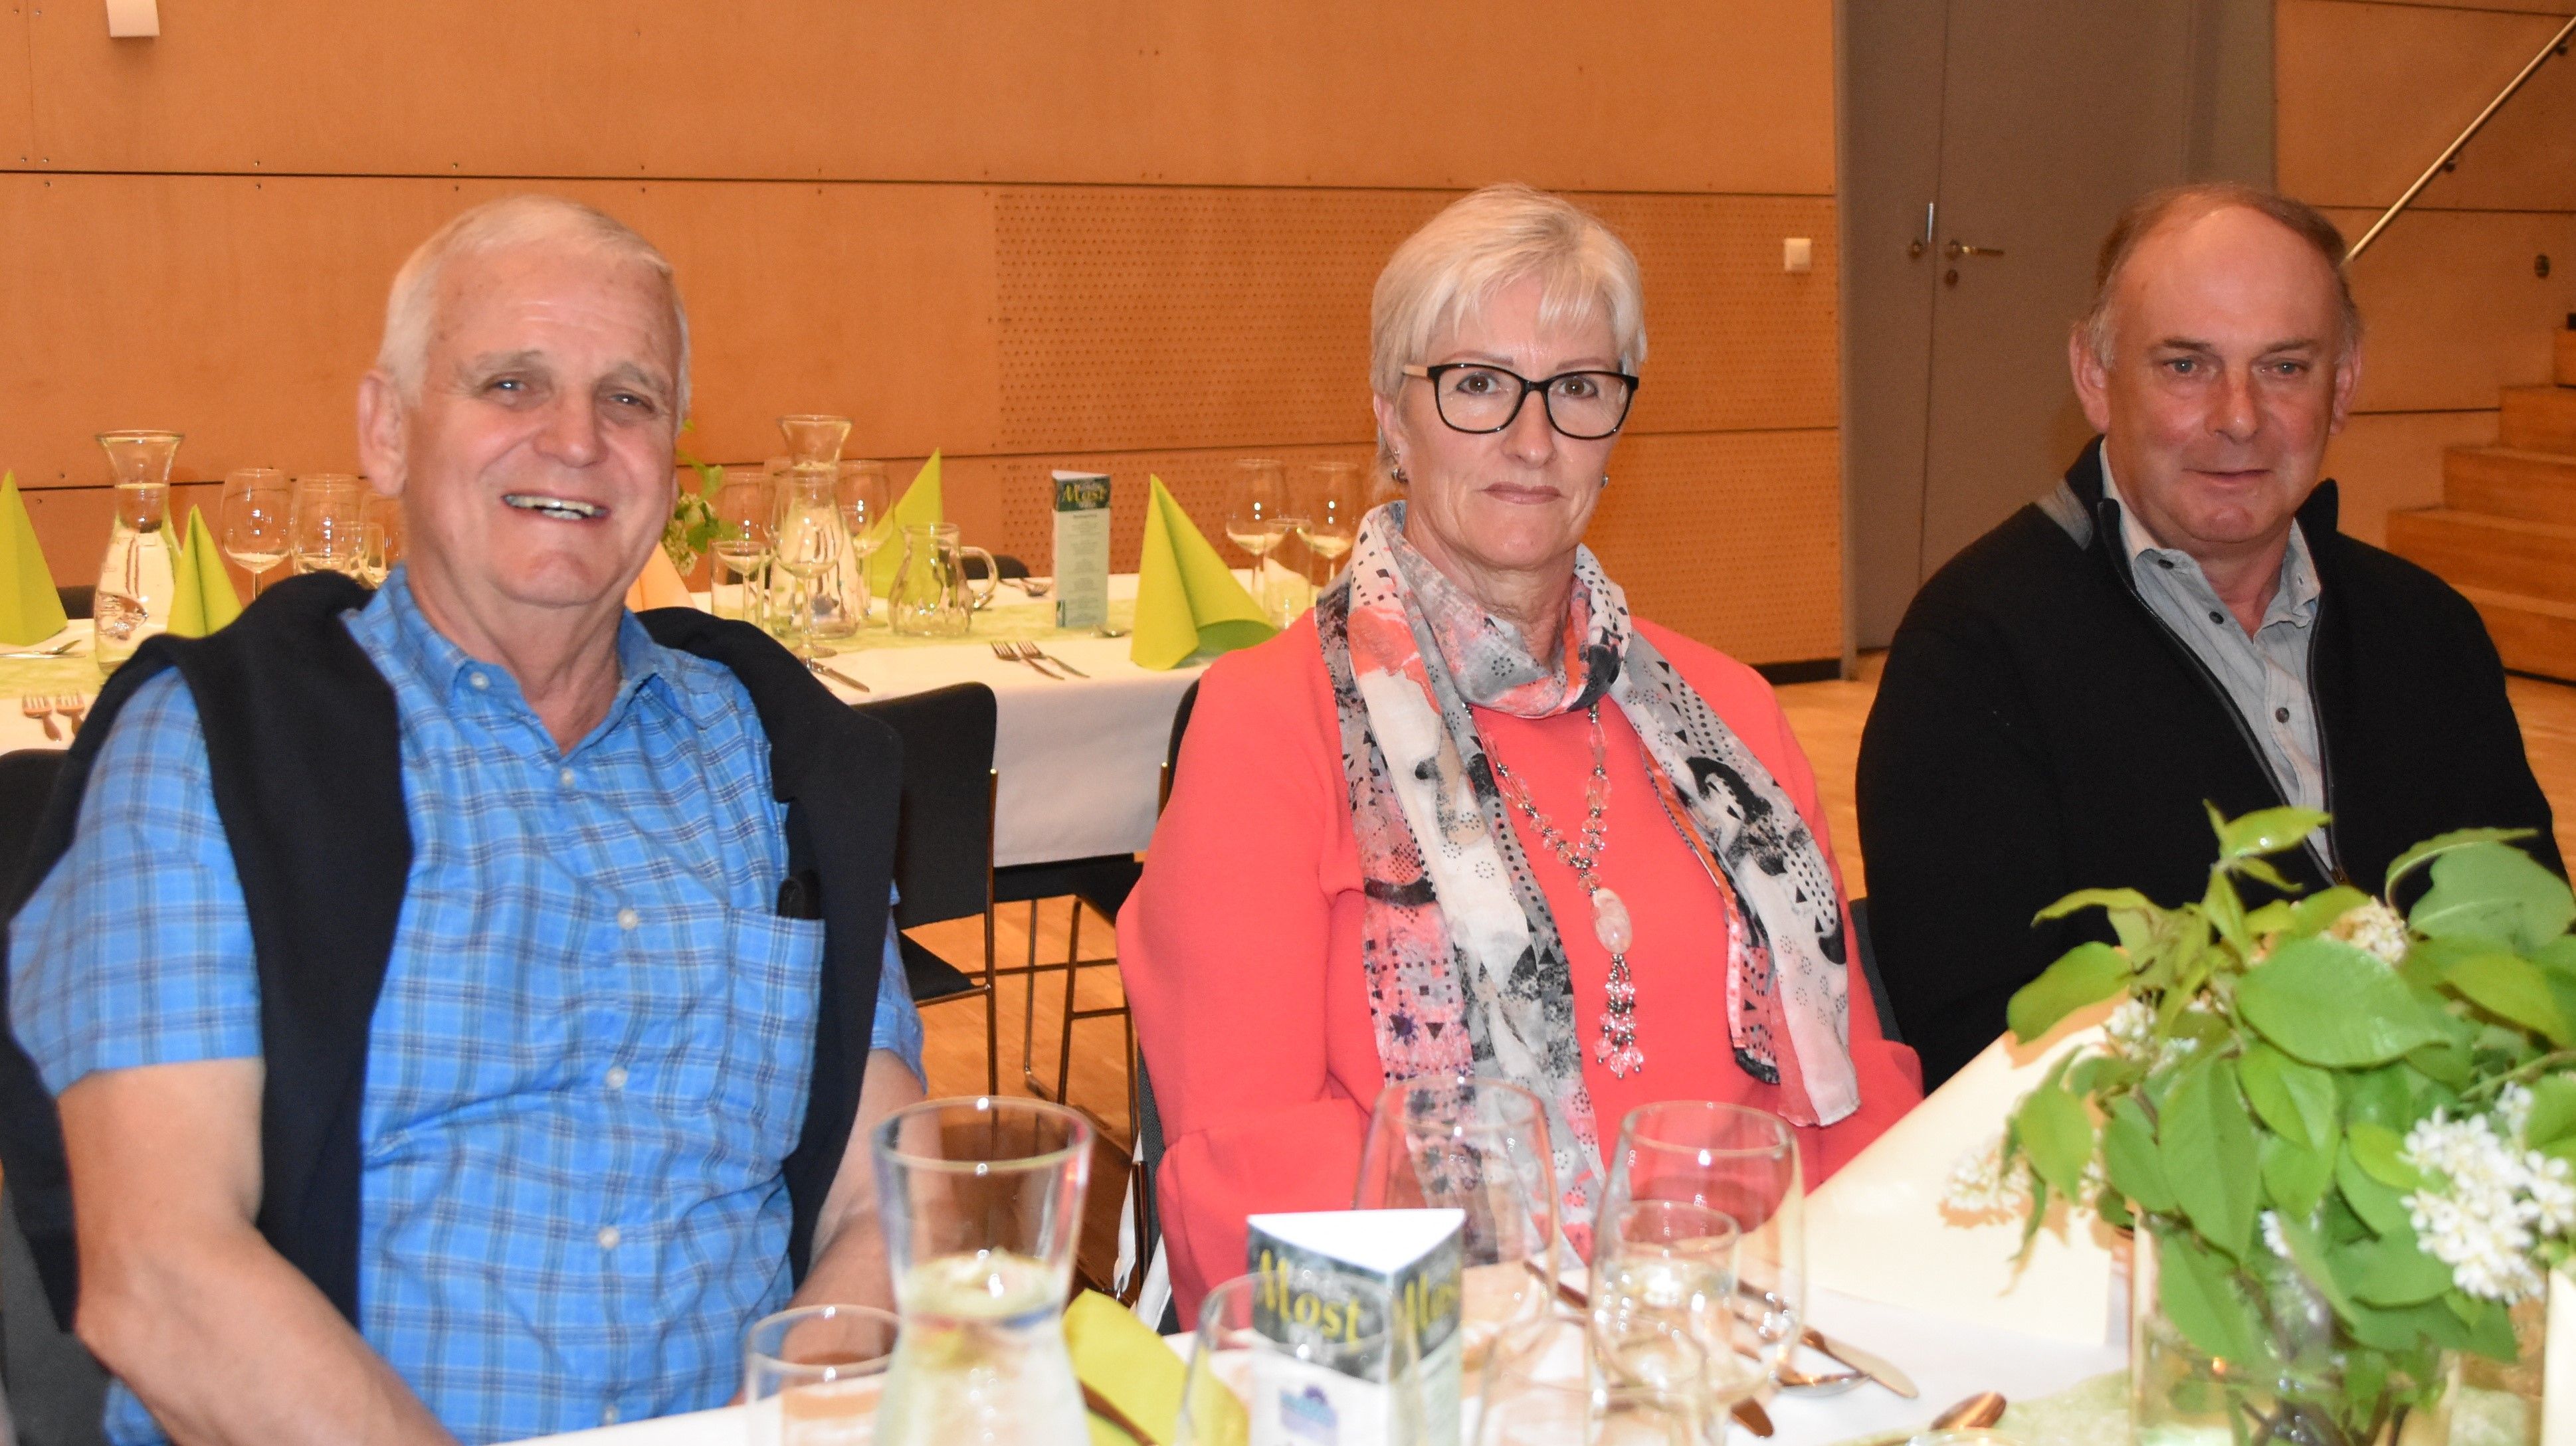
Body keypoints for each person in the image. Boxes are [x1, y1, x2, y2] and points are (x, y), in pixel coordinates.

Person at [0, 195, 925, 1445]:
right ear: (386, 432)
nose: (576, 440)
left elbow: (888, 1198)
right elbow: (162, 1275)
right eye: (510, 383)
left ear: (672, 458)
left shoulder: (780, 757)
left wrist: (788, 1421)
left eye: (630, 398)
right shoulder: (213, 751)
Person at [1120, 183, 1922, 1318]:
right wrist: (1533, 1352)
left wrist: (1851, 1314)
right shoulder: (1266, 724)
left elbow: (1848, 1093)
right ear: (1391, 420)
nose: (1533, 439)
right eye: (1478, 385)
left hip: (1751, 1338)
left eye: (1578, 388)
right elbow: (1251, 1163)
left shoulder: (1729, 716)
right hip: (1444, 1353)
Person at [1858, 183, 2560, 1089]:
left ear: (2343, 386)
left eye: (2285, 367)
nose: (2238, 417)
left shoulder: (2426, 632)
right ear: (2094, 378)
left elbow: (2539, 949)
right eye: (2186, 365)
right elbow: (1988, 1047)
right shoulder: (1973, 654)